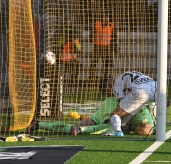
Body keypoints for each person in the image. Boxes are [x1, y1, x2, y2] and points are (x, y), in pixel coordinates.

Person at [26, 97, 156, 136]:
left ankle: (38, 124)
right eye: (139, 132)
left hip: (110, 104)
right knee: (107, 127)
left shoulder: (151, 124)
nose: (137, 132)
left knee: (75, 126)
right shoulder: (143, 119)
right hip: (112, 108)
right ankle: (81, 129)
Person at [94, 71, 157, 137]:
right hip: (156, 88)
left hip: (140, 92)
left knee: (116, 114)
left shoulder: (116, 85)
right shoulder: (129, 75)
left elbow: (122, 103)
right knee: (154, 110)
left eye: (107, 91)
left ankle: (117, 132)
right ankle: (157, 128)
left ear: (109, 85)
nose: (110, 94)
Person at [89, 13, 118, 90]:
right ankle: (91, 80)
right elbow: (91, 34)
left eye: (107, 17)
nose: (106, 18)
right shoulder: (96, 24)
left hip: (107, 48)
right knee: (94, 64)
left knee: (108, 65)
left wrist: (115, 47)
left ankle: (106, 81)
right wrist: (93, 39)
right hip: (97, 47)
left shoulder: (111, 26)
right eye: (104, 16)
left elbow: (114, 38)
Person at [56, 17, 82, 87]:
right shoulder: (62, 37)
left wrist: (76, 52)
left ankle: (73, 80)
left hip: (70, 58)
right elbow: (58, 47)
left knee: (77, 65)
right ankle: (63, 80)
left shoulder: (75, 39)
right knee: (68, 66)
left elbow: (79, 48)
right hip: (64, 59)